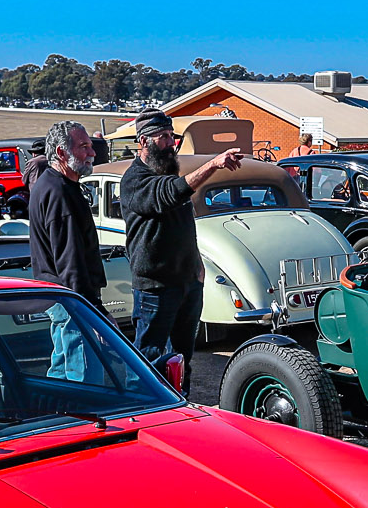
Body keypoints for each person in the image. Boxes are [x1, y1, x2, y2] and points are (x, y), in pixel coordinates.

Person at [121, 111, 242, 385]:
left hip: (187, 282)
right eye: (162, 137)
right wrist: (213, 165)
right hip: (156, 286)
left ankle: (180, 401)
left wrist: (198, 266)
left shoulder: (168, 173)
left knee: (182, 357)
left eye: (171, 137)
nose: (170, 144)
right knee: (148, 355)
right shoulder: (135, 179)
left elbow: (185, 223)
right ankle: (143, 407)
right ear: (143, 142)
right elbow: (170, 193)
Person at [30, 120, 107, 379]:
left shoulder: (56, 185)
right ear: (62, 153)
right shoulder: (58, 191)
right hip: (71, 302)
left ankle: (58, 416)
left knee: (63, 374)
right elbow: (70, 262)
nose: (92, 152)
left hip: (63, 299)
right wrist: (94, 312)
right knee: (84, 379)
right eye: (84, 146)